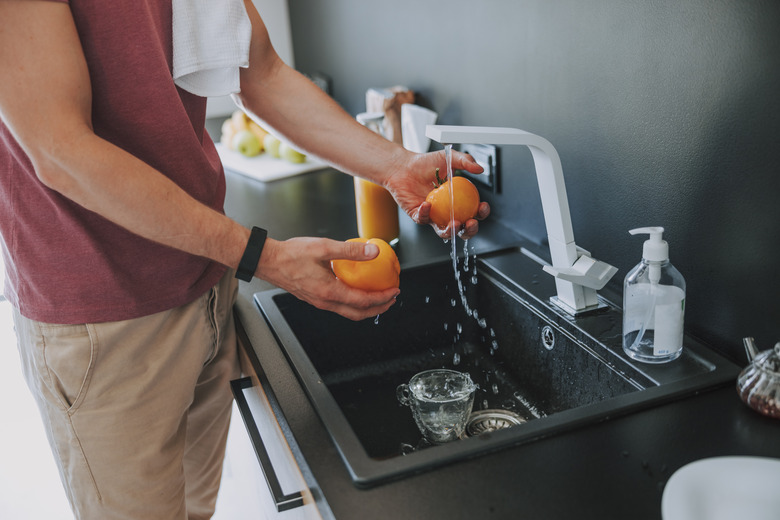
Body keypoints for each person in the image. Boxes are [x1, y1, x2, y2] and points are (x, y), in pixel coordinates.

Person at [0, 1, 489, 518]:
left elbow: (261, 73)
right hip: (105, 318)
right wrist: (262, 255)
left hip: (205, 282)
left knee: (193, 510)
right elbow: (60, 151)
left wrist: (396, 166)